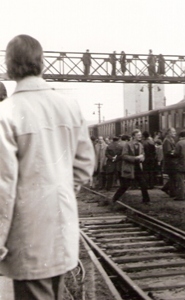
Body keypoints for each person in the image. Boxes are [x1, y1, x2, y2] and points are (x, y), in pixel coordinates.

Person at [0, 34, 95, 300]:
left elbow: (3, 185)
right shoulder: (69, 106)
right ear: (41, 63)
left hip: (26, 234)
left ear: (9, 66)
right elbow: (86, 163)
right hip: (62, 224)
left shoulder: (6, 113)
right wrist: (63, 188)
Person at [112, 129, 150, 203]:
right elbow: (124, 156)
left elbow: (143, 154)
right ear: (133, 136)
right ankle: (114, 199)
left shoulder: (140, 145)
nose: (140, 136)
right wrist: (135, 158)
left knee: (143, 184)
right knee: (125, 185)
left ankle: (146, 201)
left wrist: (142, 158)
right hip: (129, 168)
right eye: (138, 135)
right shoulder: (128, 144)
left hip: (138, 167)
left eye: (140, 135)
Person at [161, 127, 177, 197]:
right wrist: (175, 153)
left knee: (173, 177)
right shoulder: (167, 140)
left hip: (172, 161)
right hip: (170, 162)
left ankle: (168, 189)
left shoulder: (170, 139)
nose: (175, 133)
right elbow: (168, 152)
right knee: (173, 177)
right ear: (169, 133)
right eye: (173, 132)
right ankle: (171, 192)